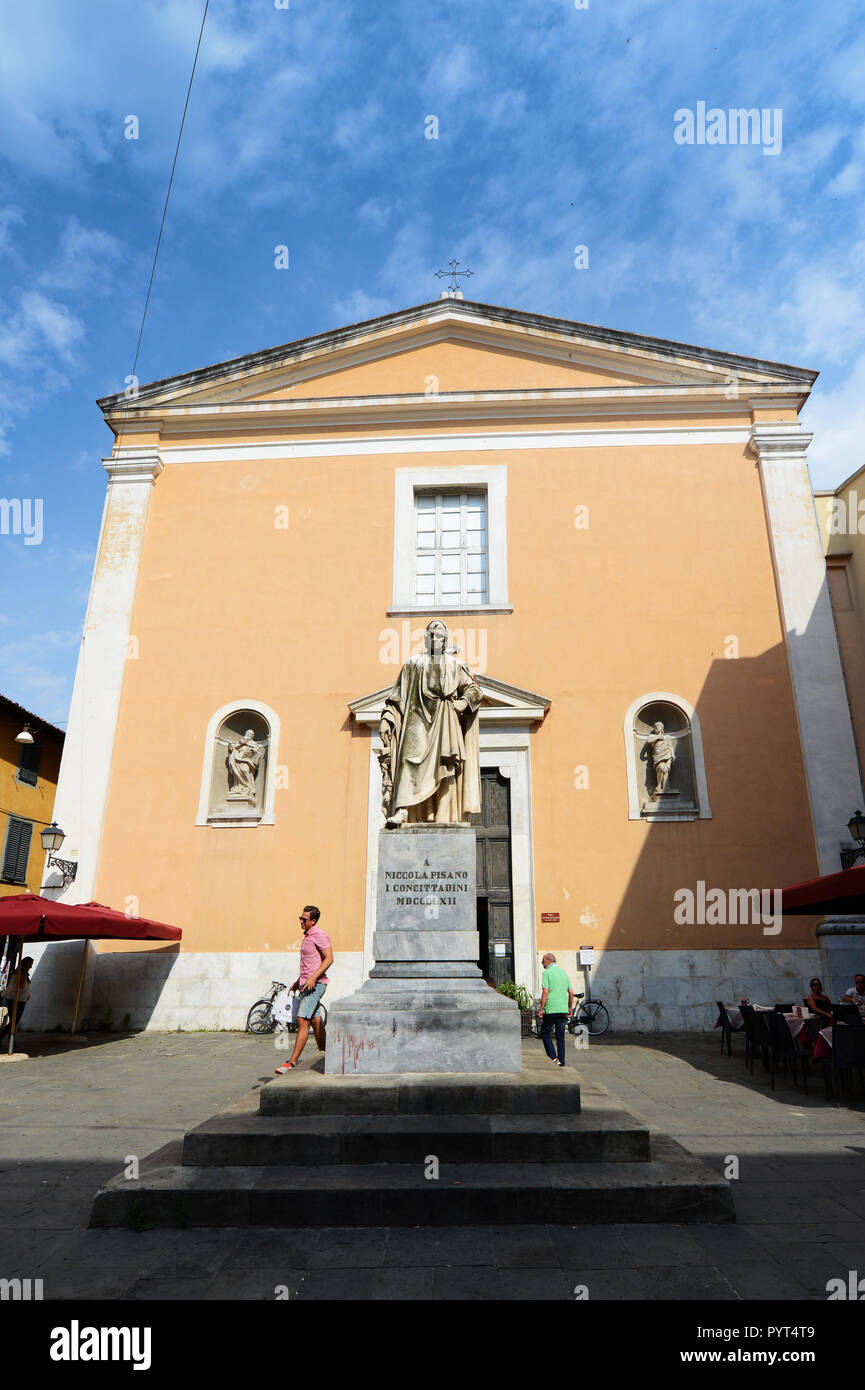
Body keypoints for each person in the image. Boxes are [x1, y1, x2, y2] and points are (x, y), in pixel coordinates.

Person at [275, 907, 333, 1074]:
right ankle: (326, 1054)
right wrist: (298, 982)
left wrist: (313, 978)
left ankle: (291, 1062)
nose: (301, 921)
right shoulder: (307, 937)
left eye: (304, 919)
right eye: (300, 918)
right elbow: (310, 964)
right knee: (315, 1020)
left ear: (313, 921)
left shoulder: (319, 935)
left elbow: (329, 958)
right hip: (306, 984)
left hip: (316, 985)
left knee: (302, 1020)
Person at [537, 952, 574, 1068]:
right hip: (562, 1009)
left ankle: (553, 1057)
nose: (542, 963)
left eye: (543, 961)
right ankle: (561, 1061)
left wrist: (541, 1008)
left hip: (551, 1009)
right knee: (560, 1037)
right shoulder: (563, 973)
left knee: (545, 1033)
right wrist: (569, 1007)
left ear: (548, 961)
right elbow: (571, 992)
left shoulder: (546, 973)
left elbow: (545, 991)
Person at [0, 956, 33, 1044]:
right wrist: (25, 972)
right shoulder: (17, 974)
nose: (31, 967)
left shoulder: (24, 975)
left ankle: (9, 1041)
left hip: (21, 1000)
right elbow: (21, 985)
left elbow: (24, 987)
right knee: (12, 1022)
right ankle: (10, 1042)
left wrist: (27, 995)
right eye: (30, 964)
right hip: (13, 1000)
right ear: (25, 965)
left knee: (13, 1023)